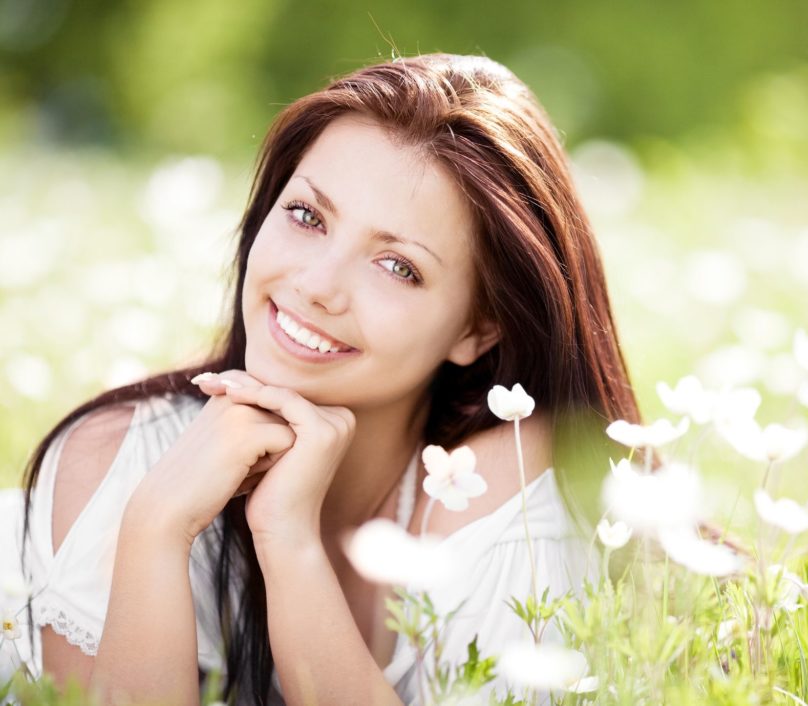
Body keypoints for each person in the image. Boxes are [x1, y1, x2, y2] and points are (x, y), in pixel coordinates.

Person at [5, 52, 642, 705]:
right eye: (308, 217)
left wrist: (290, 543)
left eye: (397, 266)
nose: (315, 287)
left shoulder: (498, 498)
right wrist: (157, 526)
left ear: (477, 329)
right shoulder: (114, 459)